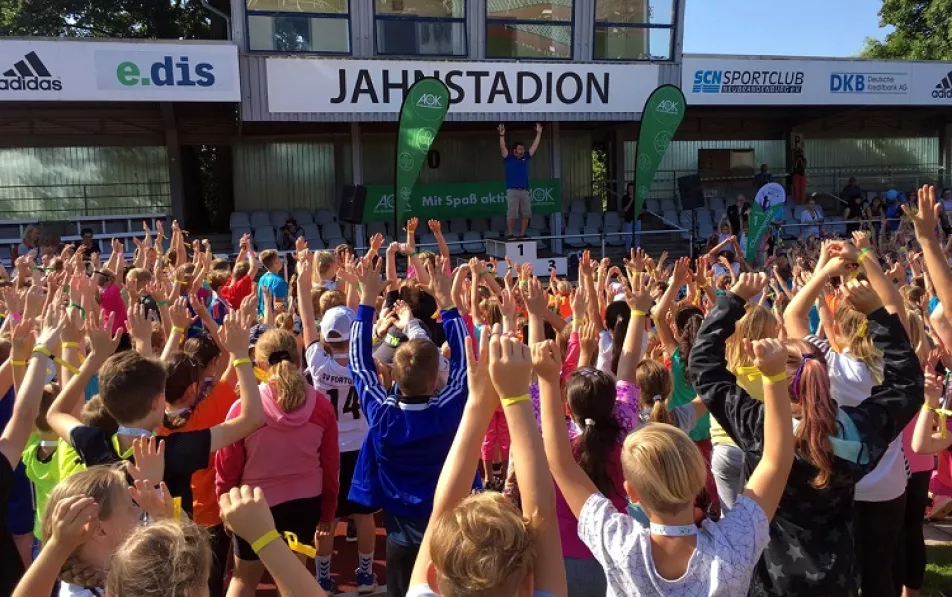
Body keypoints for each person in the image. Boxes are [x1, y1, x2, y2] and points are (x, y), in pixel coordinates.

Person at [690, 272, 923, 596]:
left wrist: (733, 301)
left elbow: (704, 367)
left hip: (770, 577)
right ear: (823, 378)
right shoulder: (855, 433)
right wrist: (878, 315)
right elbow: (907, 385)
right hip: (835, 577)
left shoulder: (758, 427)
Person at [297, 254, 379, 595]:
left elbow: (306, 319)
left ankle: (323, 578)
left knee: (326, 519)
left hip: (327, 450)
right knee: (364, 516)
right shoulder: (365, 362)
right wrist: (359, 287)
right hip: (361, 447)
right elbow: (362, 327)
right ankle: (365, 576)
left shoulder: (317, 361)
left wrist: (302, 283)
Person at [497, 122, 543, 241]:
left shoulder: (526, 157)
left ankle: (523, 234)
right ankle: (510, 234)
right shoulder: (508, 158)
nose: (522, 151)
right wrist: (502, 136)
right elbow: (502, 148)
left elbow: (534, 147)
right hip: (512, 190)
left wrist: (539, 134)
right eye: (520, 149)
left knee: (526, 213)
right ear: (515, 150)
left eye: (522, 149)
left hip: (524, 190)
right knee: (512, 213)